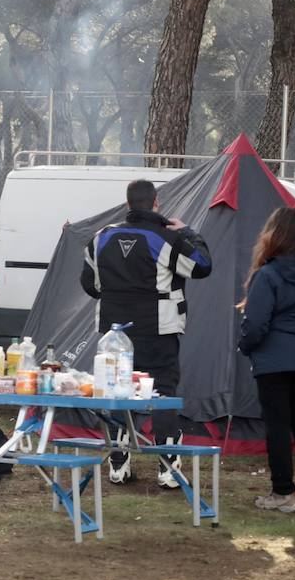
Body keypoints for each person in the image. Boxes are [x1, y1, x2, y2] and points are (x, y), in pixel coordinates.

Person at [79, 179, 212, 488]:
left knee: (116, 390)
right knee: (163, 390)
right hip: (158, 330)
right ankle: (168, 467)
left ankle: (118, 463)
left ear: (128, 206)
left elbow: (90, 285)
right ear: (156, 204)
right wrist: (188, 232)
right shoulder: (167, 238)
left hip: (113, 331)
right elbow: (203, 265)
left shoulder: (100, 239)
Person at [238, 208, 295, 513]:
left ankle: (283, 492)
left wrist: (247, 346)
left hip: (272, 359)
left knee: (277, 425)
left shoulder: (267, 275)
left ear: (272, 236)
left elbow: (255, 323)